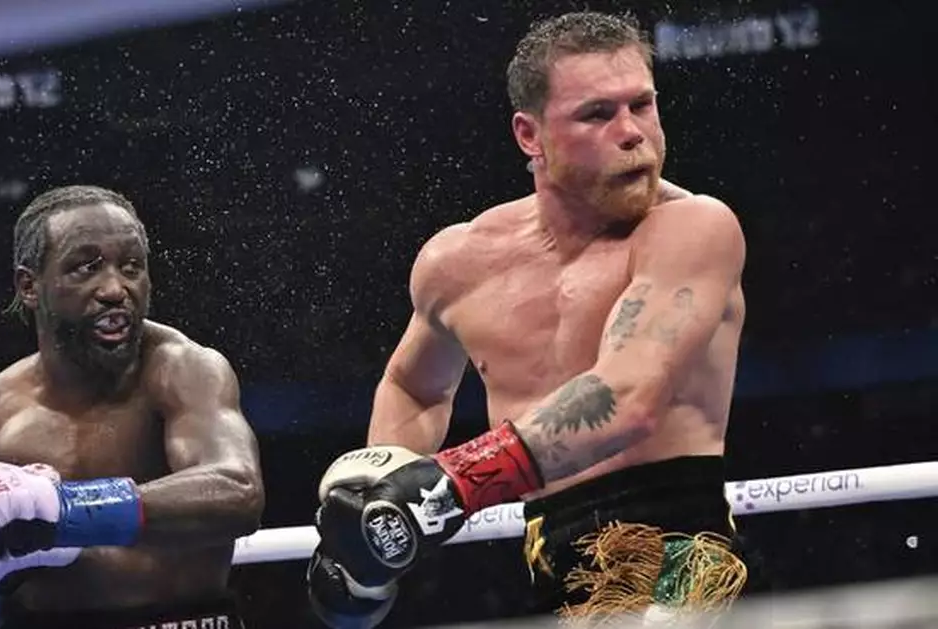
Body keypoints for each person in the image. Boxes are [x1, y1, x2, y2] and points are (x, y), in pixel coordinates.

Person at [307, 11, 749, 628]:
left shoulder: (693, 230)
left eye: (642, 105)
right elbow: (416, 385)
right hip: (548, 569)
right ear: (529, 135)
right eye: (597, 114)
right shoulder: (459, 261)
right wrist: (379, 511)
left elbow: (627, 397)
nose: (633, 133)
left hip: (681, 567)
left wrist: (444, 487)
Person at [0, 185, 265, 629]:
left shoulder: (182, 369)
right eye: (87, 268)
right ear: (29, 286)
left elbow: (238, 493)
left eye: (132, 267)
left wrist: (66, 512)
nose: (115, 289)